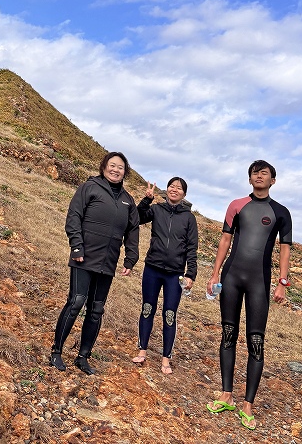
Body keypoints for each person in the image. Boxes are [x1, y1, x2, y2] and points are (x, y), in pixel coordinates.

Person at [206, 160, 292, 431]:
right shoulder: (236, 205)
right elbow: (225, 240)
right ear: (250, 179)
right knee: (228, 334)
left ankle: (248, 406)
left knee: (256, 341)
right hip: (232, 276)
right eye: (254, 172)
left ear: (273, 181)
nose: (258, 175)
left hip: (259, 282)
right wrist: (215, 273)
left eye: (264, 172)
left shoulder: (281, 212)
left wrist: (282, 283)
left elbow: (285, 249)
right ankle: (226, 395)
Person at [49, 151, 140, 375]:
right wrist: (77, 246)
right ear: (103, 166)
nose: (116, 169)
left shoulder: (128, 200)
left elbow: (133, 230)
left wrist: (131, 257)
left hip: (107, 261)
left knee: (96, 310)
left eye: (120, 167)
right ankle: (56, 352)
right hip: (84, 256)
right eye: (112, 165)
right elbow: (74, 216)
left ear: (125, 172)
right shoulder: (89, 187)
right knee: (76, 301)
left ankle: (83, 357)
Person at [132, 177, 198, 375]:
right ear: (166, 190)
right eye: (171, 186)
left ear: (184, 194)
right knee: (147, 308)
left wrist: (190, 274)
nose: (174, 189)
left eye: (179, 188)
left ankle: (165, 359)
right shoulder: (157, 209)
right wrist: (146, 200)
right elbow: (137, 217)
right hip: (152, 267)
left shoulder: (189, 218)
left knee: (170, 314)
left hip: (174, 274)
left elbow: (192, 248)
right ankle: (142, 351)